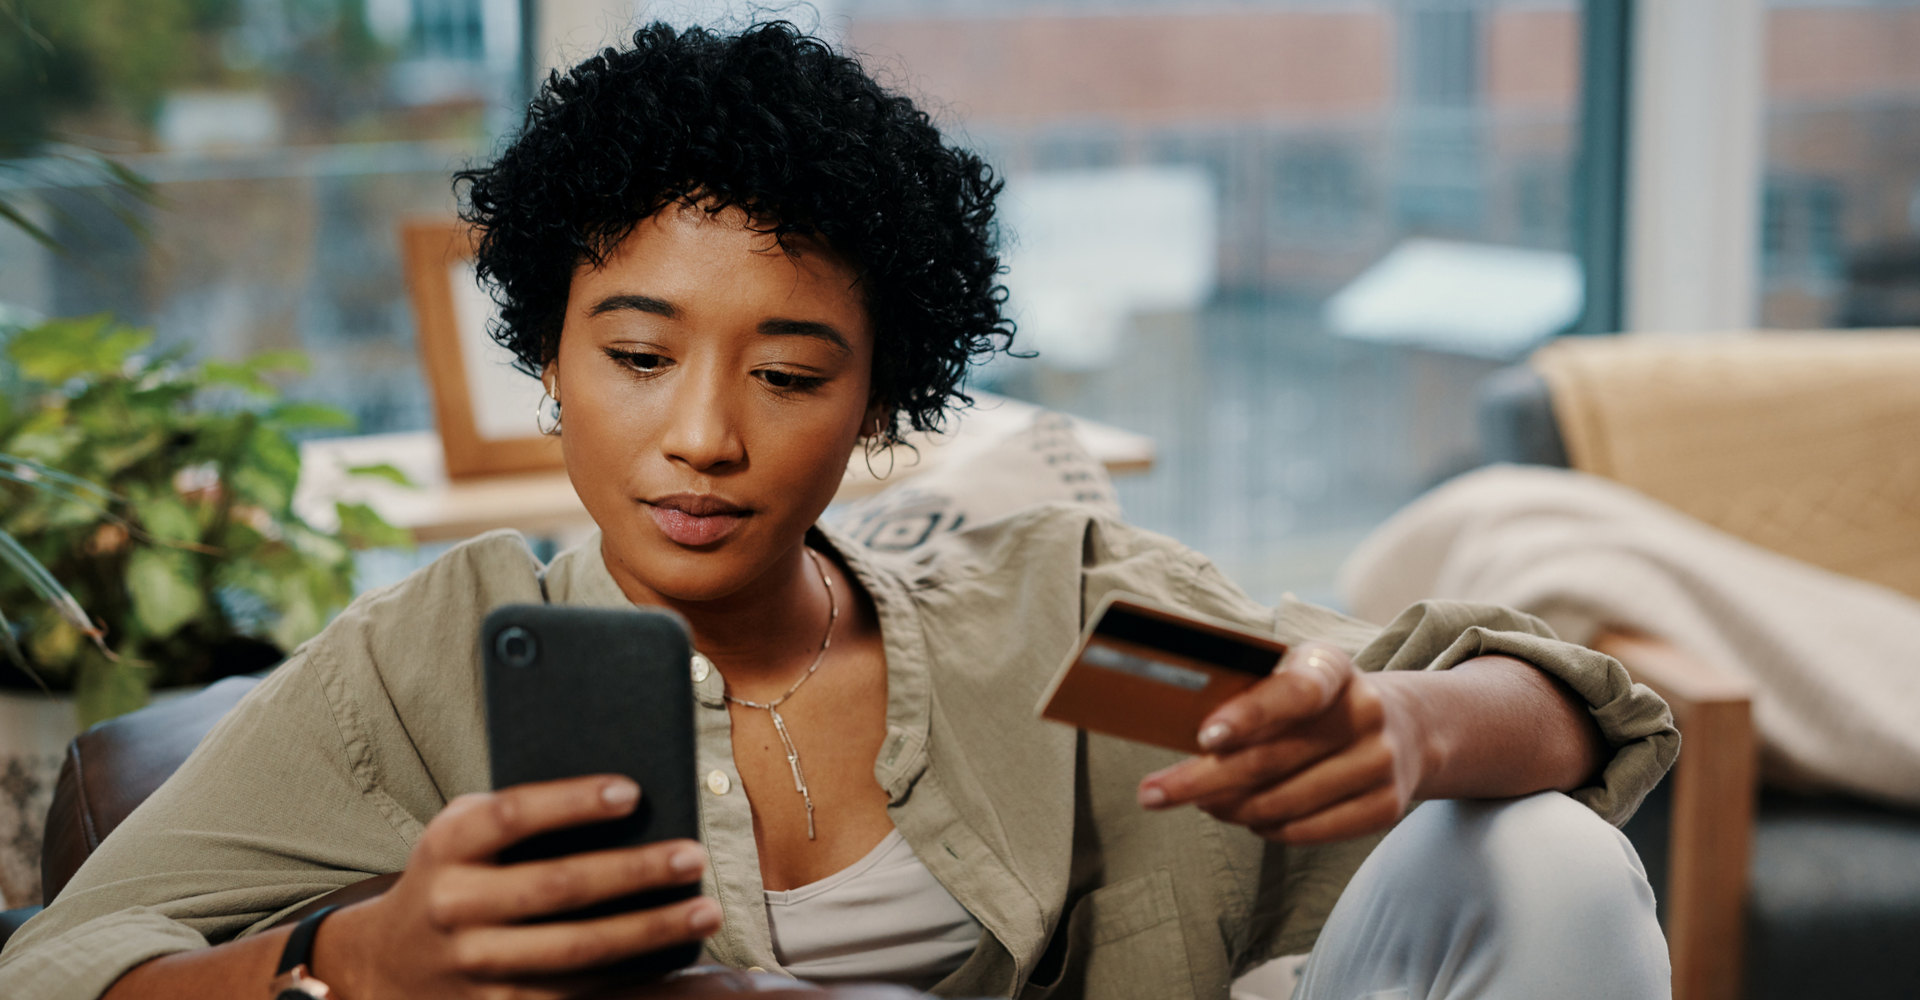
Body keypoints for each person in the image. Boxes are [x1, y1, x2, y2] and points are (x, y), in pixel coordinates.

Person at [0, 21, 1678, 1000]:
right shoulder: (428, 667)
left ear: (879, 398)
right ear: (552, 358)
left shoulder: (1054, 631)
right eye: (638, 353)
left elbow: (1564, 719)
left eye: (790, 375)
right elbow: (63, 966)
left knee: (1535, 850)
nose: (704, 438)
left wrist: (1404, 725)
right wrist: (347, 965)